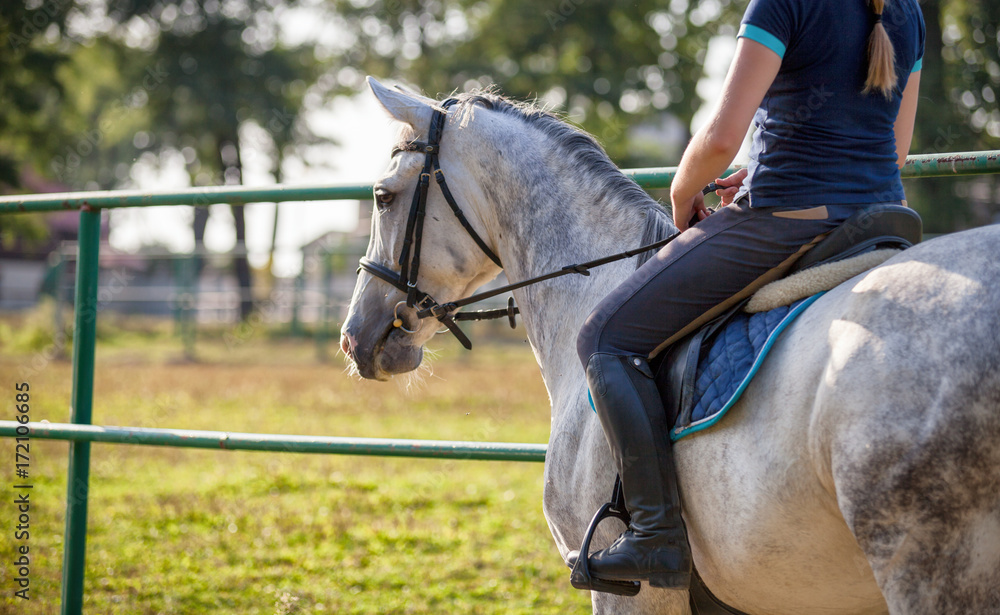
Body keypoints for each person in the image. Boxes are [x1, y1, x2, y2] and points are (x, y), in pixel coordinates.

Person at [569, 0, 925, 591]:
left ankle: (656, 536)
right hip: (878, 217)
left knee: (605, 337)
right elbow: (895, 153)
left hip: (788, 216)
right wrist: (763, 163)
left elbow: (719, 137)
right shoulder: (907, 8)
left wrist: (684, 194)